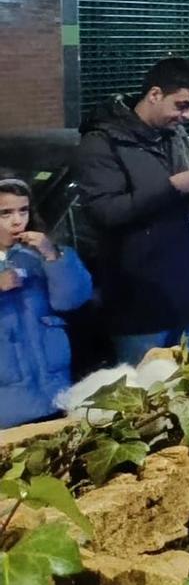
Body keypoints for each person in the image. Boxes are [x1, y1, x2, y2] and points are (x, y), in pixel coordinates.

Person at [74, 56, 189, 362]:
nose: (188, 116)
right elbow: (104, 211)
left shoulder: (175, 136)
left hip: (187, 299)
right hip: (139, 305)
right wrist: (171, 187)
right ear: (154, 94)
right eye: (182, 105)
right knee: (145, 399)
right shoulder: (102, 143)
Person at [0, 178, 92, 427]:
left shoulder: (37, 254)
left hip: (55, 392)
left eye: (23, 210)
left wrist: (53, 256)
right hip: (7, 404)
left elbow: (71, 300)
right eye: (5, 213)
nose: (17, 220)